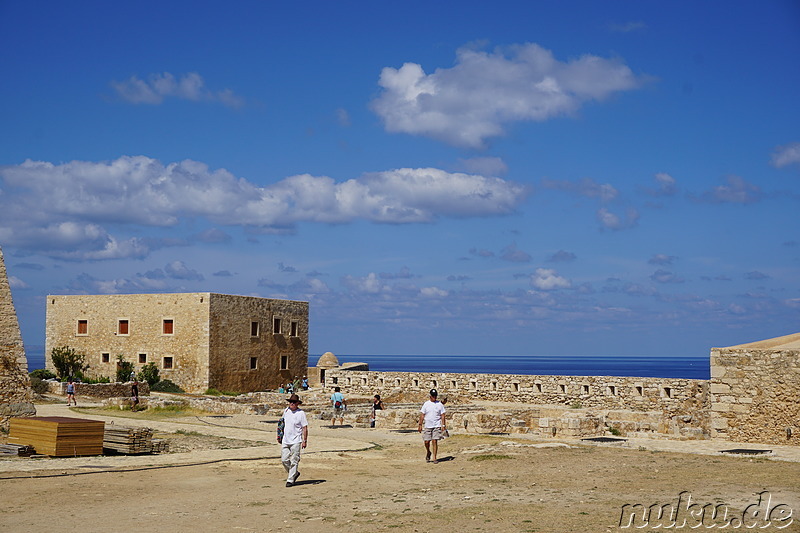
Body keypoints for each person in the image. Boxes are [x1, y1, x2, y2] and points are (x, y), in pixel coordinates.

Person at [278, 393, 308, 487]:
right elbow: (281, 424)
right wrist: (279, 435)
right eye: (291, 402)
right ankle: (294, 473)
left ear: (297, 403)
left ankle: (290, 480)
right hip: (286, 439)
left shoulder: (301, 413)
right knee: (284, 460)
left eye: (294, 402)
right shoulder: (286, 411)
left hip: (296, 440)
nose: (292, 403)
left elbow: (305, 428)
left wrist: (304, 440)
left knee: (294, 460)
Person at [418, 389, 446, 464]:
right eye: (433, 396)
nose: (434, 397)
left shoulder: (439, 404)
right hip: (428, 425)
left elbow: (442, 415)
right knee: (426, 441)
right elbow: (422, 414)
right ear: (430, 396)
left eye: (435, 396)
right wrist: (420, 424)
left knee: (434, 441)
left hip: (436, 425)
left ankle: (434, 457)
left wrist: (443, 425)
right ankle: (428, 452)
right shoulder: (426, 404)